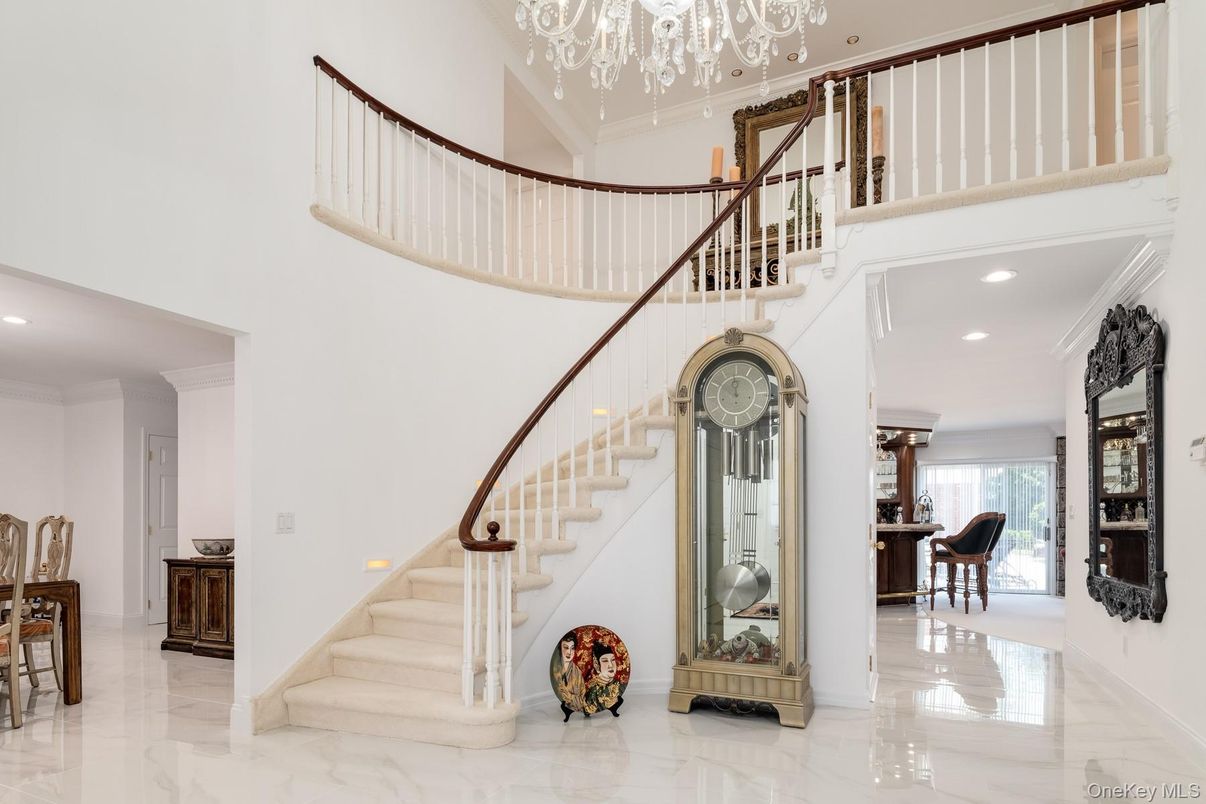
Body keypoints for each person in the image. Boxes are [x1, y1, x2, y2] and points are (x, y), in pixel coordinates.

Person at [584, 640, 621, 714]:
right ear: (597, 665)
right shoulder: (593, 691)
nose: (610, 665)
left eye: (613, 660)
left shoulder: (621, 686)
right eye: (605, 661)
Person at [552, 630, 586, 711]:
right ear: (560, 647)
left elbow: (582, 701)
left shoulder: (577, 672)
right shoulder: (555, 669)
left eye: (572, 648)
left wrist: (569, 696)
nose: (569, 652)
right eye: (566, 647)